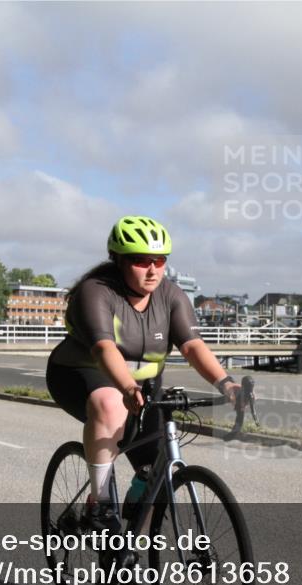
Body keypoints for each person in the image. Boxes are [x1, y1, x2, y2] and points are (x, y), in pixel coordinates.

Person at [47, 216, 240, 533]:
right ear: (119, 260)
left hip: (142, 386)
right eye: (140, 261)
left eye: (159, 260)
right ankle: (99, 504)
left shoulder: (172, 296)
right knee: (109, 404)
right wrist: (125, 386)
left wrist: (226, 383)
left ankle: (130, 548)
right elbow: (104, 348)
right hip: (80, 374)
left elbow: (192, 346)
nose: (152, 269)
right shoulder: (95, 292)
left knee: (157, 474)